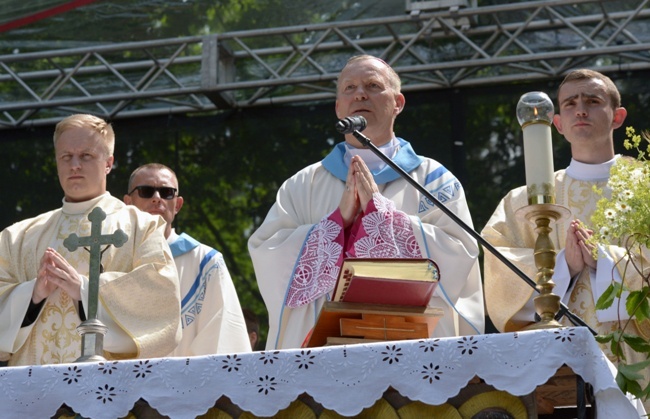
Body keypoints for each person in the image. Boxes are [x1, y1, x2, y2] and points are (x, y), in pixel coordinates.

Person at [248, 55, 484, 350]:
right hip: (325, 351)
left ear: (398, 103)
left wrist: (383, 215)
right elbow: (268, 252)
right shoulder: (302, 184)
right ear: (338, 108)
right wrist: (336, 224)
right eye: (349, 88)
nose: (360, 93)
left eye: (373, 85)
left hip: (414, 345)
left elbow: (460, 254)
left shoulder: (434, 181)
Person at [481, 69, 649, 410]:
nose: (581, 110)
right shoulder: (524, 202)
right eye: (570, 103)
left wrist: (605, 259)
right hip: (558, 365)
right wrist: (564, 265)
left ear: (618, 117)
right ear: (558, 123)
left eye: (593, 101)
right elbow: (498, 272)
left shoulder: (643, 186)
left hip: (637, 356)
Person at [0, 114, 181, 366]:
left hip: (110, 389)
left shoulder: (142, 227)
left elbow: (161, 300)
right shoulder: (17, 237)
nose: (75, 165)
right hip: (35, 393)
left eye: (86, 156)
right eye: (66, 156)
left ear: (108, 163)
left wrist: (84, 291)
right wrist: (32, 295)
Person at [124, 163, 251, 356]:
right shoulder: (112, 260)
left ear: (178, 205)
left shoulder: (207, 263)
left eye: (167, 192)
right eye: (146, 191)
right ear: (128, 203)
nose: (157, 199)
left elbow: (222, 338)